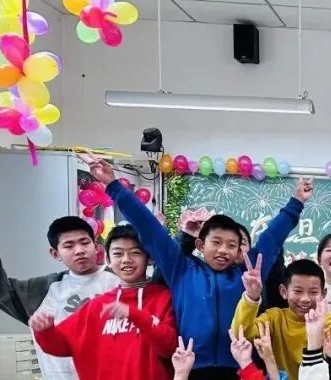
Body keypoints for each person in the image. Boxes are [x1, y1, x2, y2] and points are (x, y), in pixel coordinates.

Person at [93, 157, 307, 368]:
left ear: (239, 251)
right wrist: (113, 185)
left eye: (231, 245)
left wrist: (296, 203)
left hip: (240, 368)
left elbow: (272, 238)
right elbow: (148, 226)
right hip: (190, 368)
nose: (223, 250)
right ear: (200, 245)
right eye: (216, 242)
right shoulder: (181, 269)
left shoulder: (247, 273)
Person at [30, 224, 175, 380]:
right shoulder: (97, 306)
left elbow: (169, 346)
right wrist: (45, 331)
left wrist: (135, 315)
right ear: (107, 258)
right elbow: (62, 346)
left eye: (135, 253)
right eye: (118, 254)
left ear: (149, 258)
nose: (126, 260)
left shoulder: (163, 298)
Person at [0, 210, 118, 380]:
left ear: (96, 245)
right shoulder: (41, 291)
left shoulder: (121, 280)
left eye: (84, 242)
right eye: (69, 245)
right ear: (55, 253)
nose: (79, 250)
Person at [230, 256, 331, 380]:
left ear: (323, 294)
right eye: (298, 291)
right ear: (284, 291)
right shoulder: (274, 318)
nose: (305, 299)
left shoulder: (329, 320)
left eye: (313, 292)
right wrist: (251, 296)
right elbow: (241, 334)